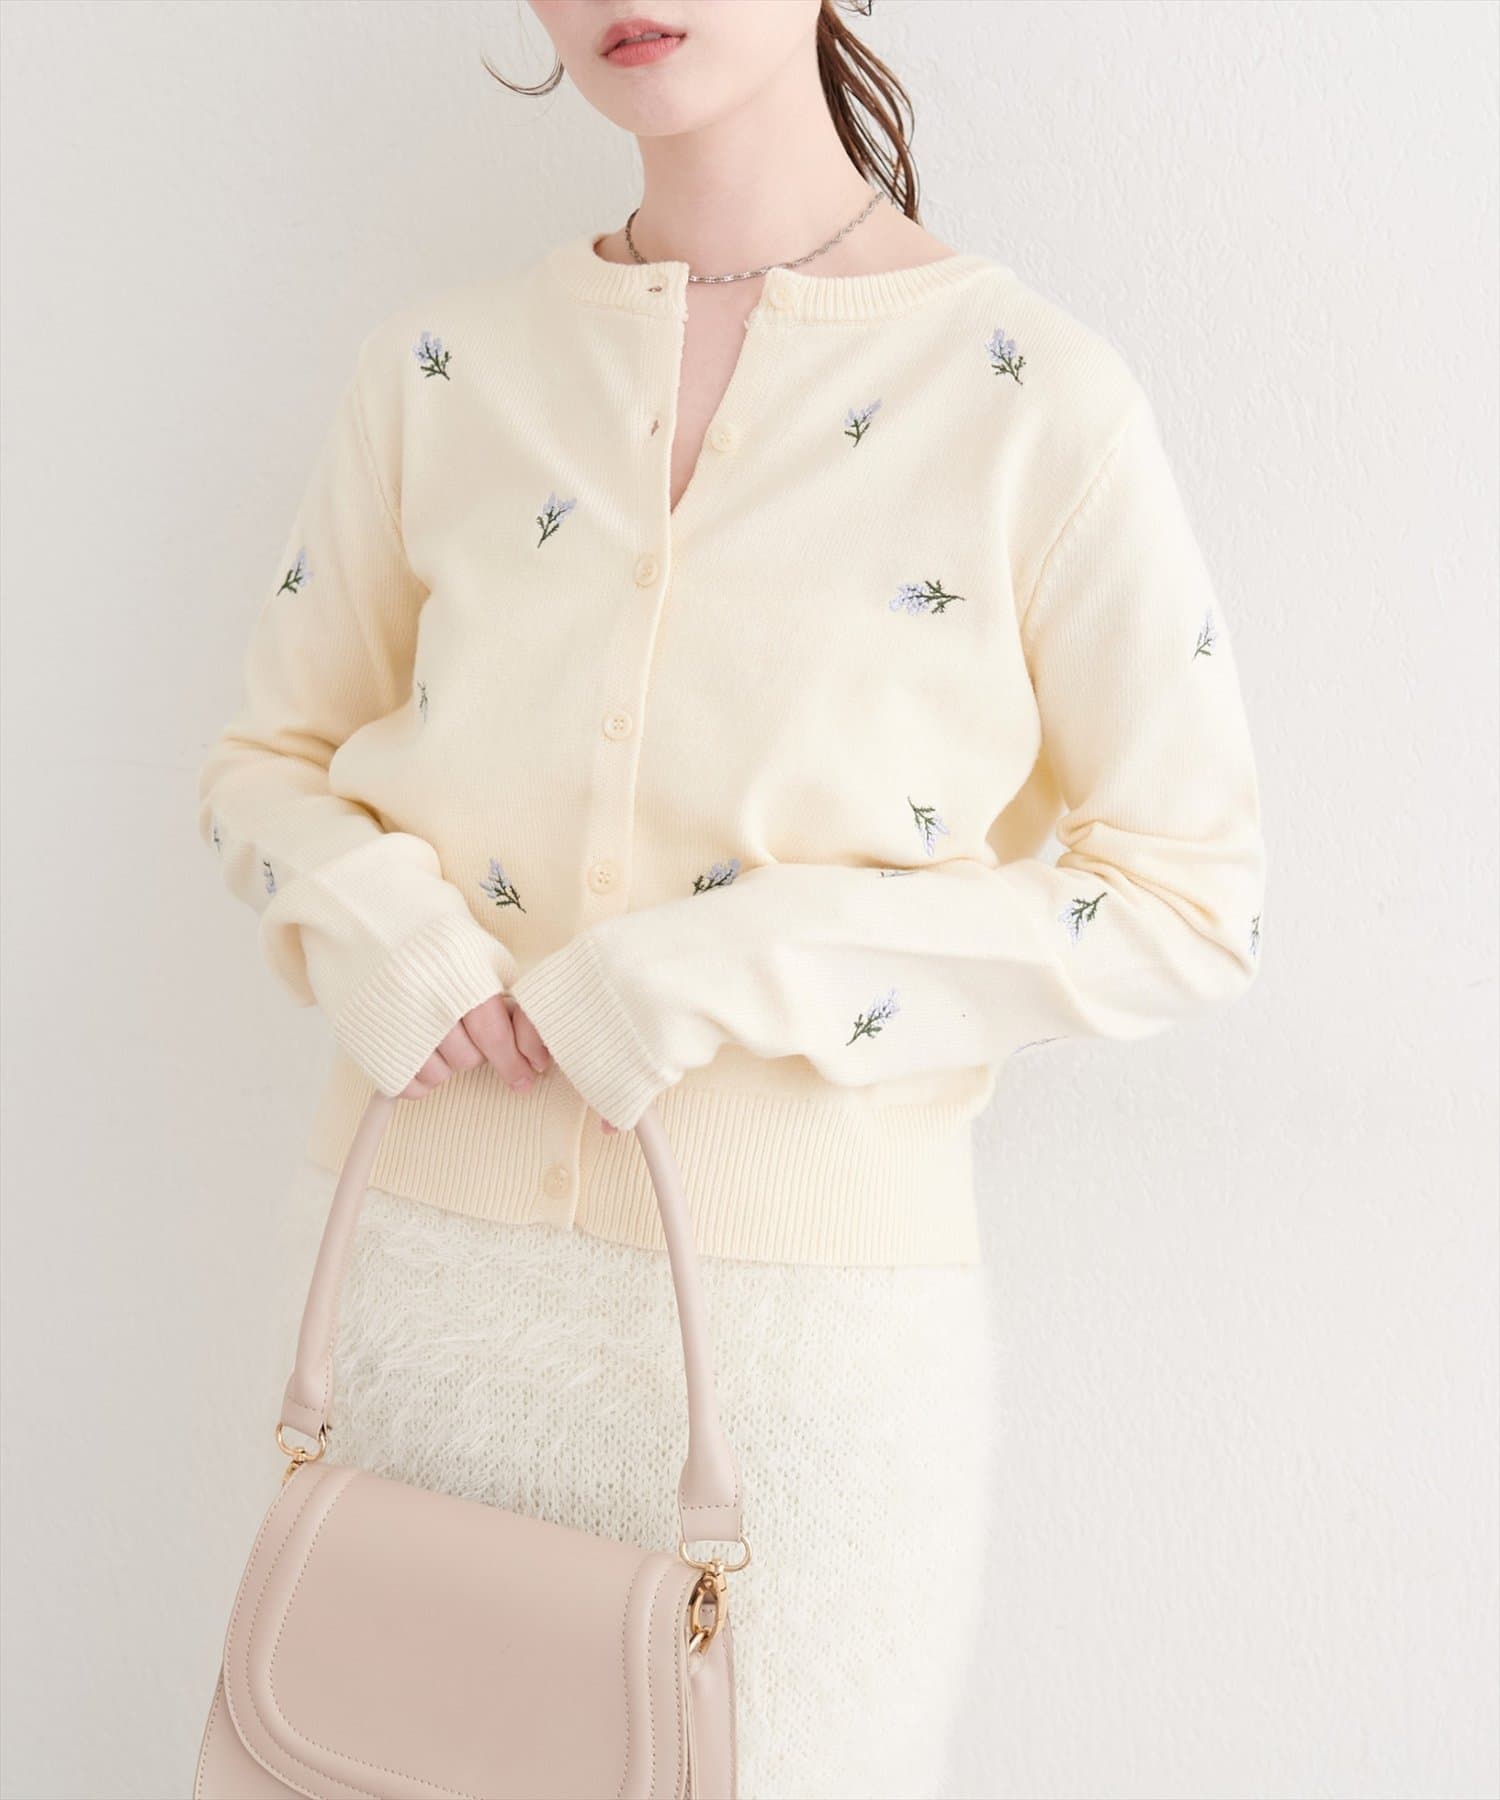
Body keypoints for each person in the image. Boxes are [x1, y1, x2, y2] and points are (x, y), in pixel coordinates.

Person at [195, 2, 1268, 1794]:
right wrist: (385, 926)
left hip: (803, 1368)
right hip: (408, 1308)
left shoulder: (1031, 398)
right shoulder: (441, 370)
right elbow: (263, 764)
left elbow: (1188, 897)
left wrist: (731, 965)